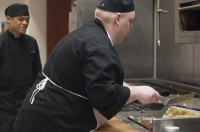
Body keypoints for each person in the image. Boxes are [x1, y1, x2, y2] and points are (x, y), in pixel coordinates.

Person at [14, 0, 160, 132]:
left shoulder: (88, 35)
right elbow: (104, 96)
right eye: (130, 20)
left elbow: (87, 76)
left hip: (40, 118)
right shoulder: (98, 45)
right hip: (48, 123)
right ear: (118, 19)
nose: (131, 26)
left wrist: (122, 86)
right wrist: (138, 92)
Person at [0, 3, 42, 132]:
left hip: (27, 98)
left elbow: (38, 72)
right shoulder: (1, 42)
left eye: (27, 20)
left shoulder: (32, 42)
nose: (25, 23)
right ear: (8, 19)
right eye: (20, 19)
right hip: (4, 100)